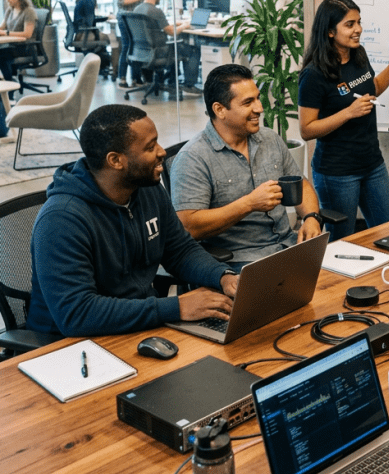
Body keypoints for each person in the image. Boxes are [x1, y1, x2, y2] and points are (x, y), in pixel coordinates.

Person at [25, 104, 239, 337]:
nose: (162, 152)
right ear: (116, 160)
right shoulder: (61, 220)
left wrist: (222, 276)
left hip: (137, 324)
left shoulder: (147, 190)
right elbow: (77, 314)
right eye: (150, 147)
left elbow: (179, 250)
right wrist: (176, 307)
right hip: (70, 346)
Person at [171, 64, 323, 270]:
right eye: (248, 102)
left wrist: (311, 217)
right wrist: (249, 204)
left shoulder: (270, 139)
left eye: (258, 98)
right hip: (239, 262)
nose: (260, 108)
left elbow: (301, 184)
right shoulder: (194, 158)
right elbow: (189, 226)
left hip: (289, 246)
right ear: (220, 109)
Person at [298, 0, 389, 240]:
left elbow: (373, 87)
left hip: (372, 163)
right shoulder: (313, 75)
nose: (358, 30)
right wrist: (348, 113)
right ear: (330, 31)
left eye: (359, 22)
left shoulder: (357, 55)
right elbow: (307, 129)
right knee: (341, 242)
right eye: (350, 24)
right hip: (337, 172)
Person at [136, 0, 201, 96]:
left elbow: (160, 27)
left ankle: (172, 82)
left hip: (143, 51)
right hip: (159, 52)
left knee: (175, 46)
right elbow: (171, 32)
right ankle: (189, 86)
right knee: (193, 49)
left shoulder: (138, 9)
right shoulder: (156, 11)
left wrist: (178, 24)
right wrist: (185, 25)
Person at [0, 0, 37, 84]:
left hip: (25, 48)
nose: (7, 0)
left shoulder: (28, 12)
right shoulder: (10, 10)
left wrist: (5, 33)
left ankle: (9, 84)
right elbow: (1, 27)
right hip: (13, 47)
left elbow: (27, 34)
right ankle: (8, 80)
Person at [116, 0, 146, 88]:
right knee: (127, 46)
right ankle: (122, 77)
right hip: (125, 17)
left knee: (137, 46)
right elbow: (121, 2)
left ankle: (136, 77)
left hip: (136, 17)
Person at [72, 0, 111, 69]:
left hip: (79, 35)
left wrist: (103, 17)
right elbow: (89, 24)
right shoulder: (88, 1)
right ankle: (116, 71)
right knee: (114, 38)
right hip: (85, 36)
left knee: (104, 37)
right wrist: (106, 18)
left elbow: (89, 19)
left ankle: (103, 65)